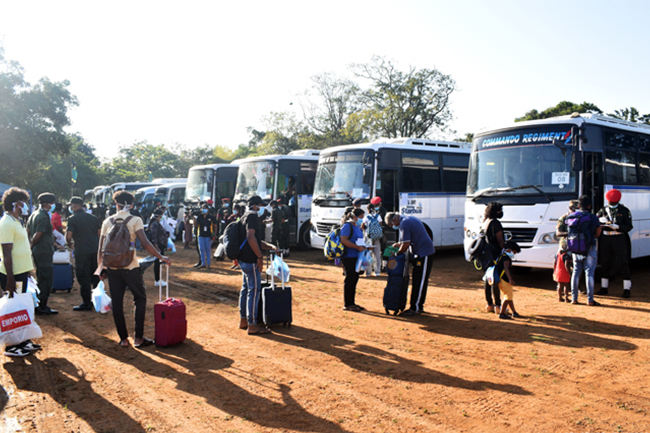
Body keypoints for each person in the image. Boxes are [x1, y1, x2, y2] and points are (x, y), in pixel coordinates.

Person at [97, 190, 171, 348]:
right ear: (131, 205)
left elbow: (101, 248)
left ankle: (123, 339)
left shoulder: (107, 221)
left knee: (117, 302)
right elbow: (145, 243)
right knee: (140, 298)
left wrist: (100, 269)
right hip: (131, 266)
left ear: (115, 204)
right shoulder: (135, 220)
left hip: (112, 267)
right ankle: (138, 338)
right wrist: (161, 257)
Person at [0, 188, 42, 357]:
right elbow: (6, 253)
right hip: (12, 274)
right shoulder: (6, 224)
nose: (25, 206)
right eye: (23, 203)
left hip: (21, 273)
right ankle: (11, 345)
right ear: (15, 204)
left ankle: (23, 340)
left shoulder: (17, 221)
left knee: (20, 307)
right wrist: (10, 278)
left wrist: (29, 271)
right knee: (13, 310)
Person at [238, 195, 276, 335]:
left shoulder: (244, 216)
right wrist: (259, 256)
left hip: (243, 259)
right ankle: (252, 325)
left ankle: (244, 320)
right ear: (254, 206)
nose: (261, 208)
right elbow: (251, 237)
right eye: (259, 205)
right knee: (253, 292)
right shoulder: (253, 217)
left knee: (245, 289)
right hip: (251, 259)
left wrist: (269, 246)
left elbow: (254, 240)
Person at [385, 211, 435, 316]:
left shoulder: (404, 223)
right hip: (420, 252)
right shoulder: (407, 219)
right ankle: (417, 305)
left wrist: (397, 254)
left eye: (392, 225)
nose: (393, 227)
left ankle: (415, 308)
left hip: (424, 253)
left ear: (394, 220)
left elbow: (406, 244)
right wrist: (400, 245)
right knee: (418, 279)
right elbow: (407, 240)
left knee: (420, 281)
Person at [66, 196, 101, 311]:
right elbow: (99, 234)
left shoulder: (72, 219)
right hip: (95, 250)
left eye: (71, 206)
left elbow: (68, 236)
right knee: (96, 276)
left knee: (83, 276)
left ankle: (87, 303)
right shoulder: (93, 218)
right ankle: (98, 301)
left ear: (74, 206)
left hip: (82, 251)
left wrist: (70, 244)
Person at [596, 189, 633, 298]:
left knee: (623, 262)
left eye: (613, 202)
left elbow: (629, 226)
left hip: (618, 238)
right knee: (605, 262)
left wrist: (618, 227)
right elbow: (596, 220)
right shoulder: (603, 210)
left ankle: (627, 289)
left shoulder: (625, 210)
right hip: (606, 238)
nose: (611, 203)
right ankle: (604, 287)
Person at [26, 192, 58, 315]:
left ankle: (38, 303)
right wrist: (32, 245)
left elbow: (27, 231)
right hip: (43, 251)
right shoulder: (44, 217)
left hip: (38, 251)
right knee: (46, 279)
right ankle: (42, 306)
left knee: (40, 276)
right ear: (46, 204)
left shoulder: (33, 215)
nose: (53, 205)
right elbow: (37, 235)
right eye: (51, 203)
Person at [569, 195, 602, 306]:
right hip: (589, 247)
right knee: (589, 273)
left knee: (576, 272)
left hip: (575, 248)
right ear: (589, 205)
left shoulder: (571, 216)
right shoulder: (593, 217)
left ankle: (574, 299)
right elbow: (597, 234)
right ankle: (590, 300)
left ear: (578, 205)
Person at [339, 208, 366, 312]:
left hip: (357, 257)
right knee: (350, 279)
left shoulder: (357, 227)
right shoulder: (347, 226)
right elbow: (343, 240)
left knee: (354, 279)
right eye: (360, 218)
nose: (362, 220)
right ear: (354, 217)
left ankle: (352, 302)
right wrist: (356, 247)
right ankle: (348, 303)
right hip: (348, 256)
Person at [481, 202, 505, 315]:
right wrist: (504, 249)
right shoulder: (495, 223)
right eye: (500, 210)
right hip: (495, 254)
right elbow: (500, 240)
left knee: (488, 278)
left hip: (486, 255)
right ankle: (498, 305)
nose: (501, 212)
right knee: (495, 279)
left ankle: (489, 304)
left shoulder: (485, 221)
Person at [554, 200, 579, 302]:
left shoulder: (580, 217)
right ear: (569, 208)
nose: (574, 210)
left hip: (578, 245)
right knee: (566, 268)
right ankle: (563, 296)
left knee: (577, 267)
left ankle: (577, 287)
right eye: (573, 208)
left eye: (576, 209)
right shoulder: (564, 218)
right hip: (565, 246)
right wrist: (569, 234)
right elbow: (558, 233)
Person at [493, 241, 523, 320]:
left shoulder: (501, 256)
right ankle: (502, 313)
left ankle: (514, 312)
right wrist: (510, 279)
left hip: (500, 279)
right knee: (507, 298)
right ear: (509, 250)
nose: (514, 254)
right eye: (514, 252)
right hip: (505, 280)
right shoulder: (506, 258)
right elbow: (506, 268)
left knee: (509, 297)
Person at [149, 208, 169, 286]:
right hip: (158, 246)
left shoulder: (157, 223)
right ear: (158, 216)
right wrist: (156, 247)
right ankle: (157, 280)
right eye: (161, 215)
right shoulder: (155, 224)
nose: (162, 217)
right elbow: (154, 237)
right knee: (157, 263)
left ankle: (158, 279)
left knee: (159, 263)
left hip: (160, 245)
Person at [194, 203, 216, 269]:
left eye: (205, 208)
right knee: (202, 249)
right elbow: (196, 225)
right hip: (201, 235)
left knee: (208, 249)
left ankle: (208, 264)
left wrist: (214, 234)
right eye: (202, 208)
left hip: (208, 235)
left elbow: (215, 226)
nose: (204, 210)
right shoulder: (199, 217)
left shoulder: (211, 217)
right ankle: (203, 263)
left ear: (208, 209)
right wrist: (193, 218)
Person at [363, 201, 382, 277]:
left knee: (369, 254)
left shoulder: (366, 217)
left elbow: (363, 227)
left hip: (369, 237)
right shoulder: (378, 216)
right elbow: (380, 226)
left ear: (368, 210)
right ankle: (377, 271)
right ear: (374, 208)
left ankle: (368, 272)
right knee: (377, 254)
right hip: (377, 237)